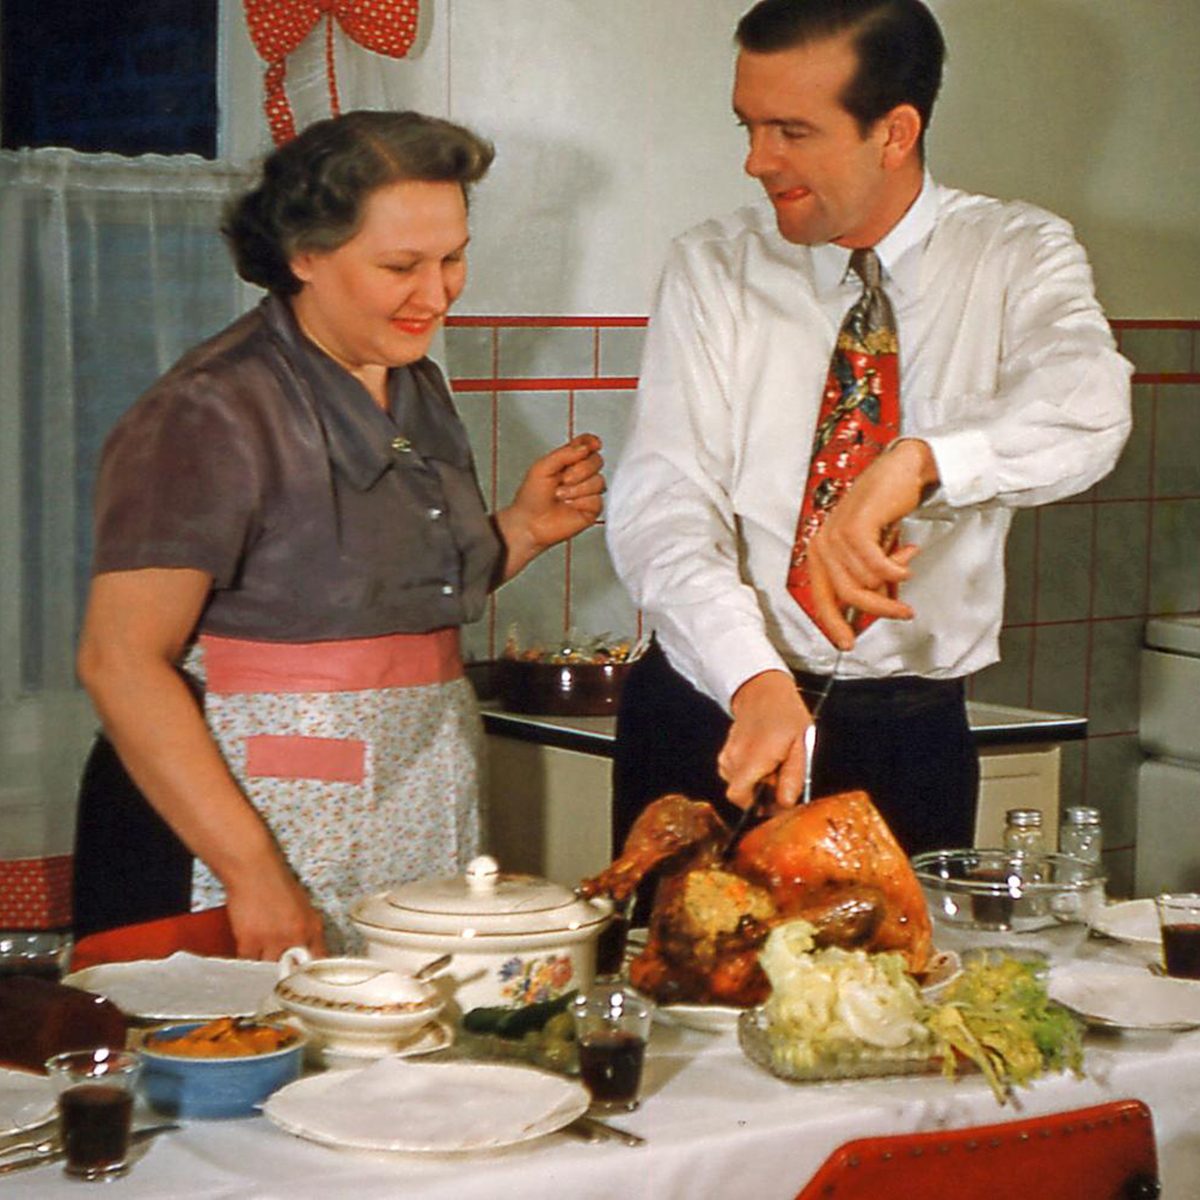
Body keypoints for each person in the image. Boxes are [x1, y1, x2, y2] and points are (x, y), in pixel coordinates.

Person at [72, 110, 605, 961]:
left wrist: (523, 531)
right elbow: (119, 662)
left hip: (416, 798)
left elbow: (382, 612)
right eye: (401, 266)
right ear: (304, 255)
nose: (437, 295)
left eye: (453, 258)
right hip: (250, 832)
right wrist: (254, 876)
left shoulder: (415, 383)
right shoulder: (210, 410)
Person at [607, 0, 1131, 858]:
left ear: (895, 132)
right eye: (747, 125)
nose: (754, 161)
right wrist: (752, 676)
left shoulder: (1015, 254)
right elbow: (663, 503)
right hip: (718, 712)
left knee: (897, 994)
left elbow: (1089, 403)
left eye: (791, 131)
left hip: (907, 738)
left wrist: (920, 463)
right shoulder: (713, 266)